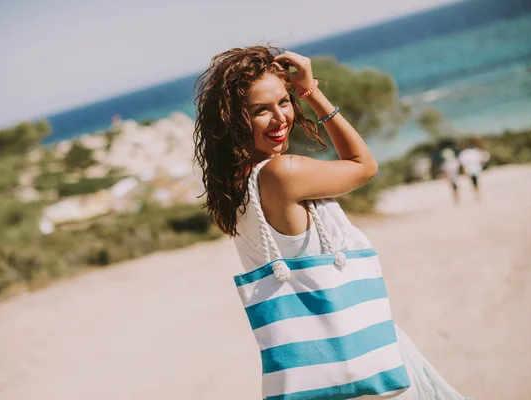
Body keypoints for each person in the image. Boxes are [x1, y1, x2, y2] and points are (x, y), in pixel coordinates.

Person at [193, 46, 470, 399]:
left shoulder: (235, 187)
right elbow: (363, 165)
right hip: (360, 357)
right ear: (235, 120)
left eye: (285, 101)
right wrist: (311, 92)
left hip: (321, 365)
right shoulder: (282, 172)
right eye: (261, 110)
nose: (280, 118)